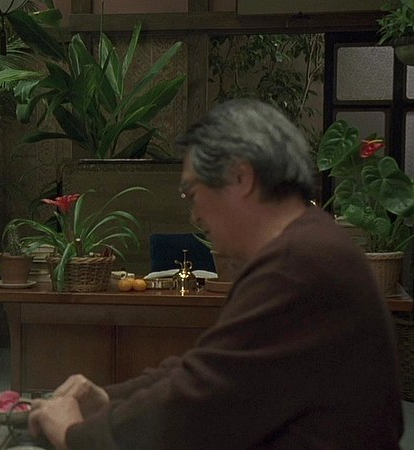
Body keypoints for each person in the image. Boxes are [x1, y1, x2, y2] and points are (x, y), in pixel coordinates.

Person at [28, 99, 403, 449]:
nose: (195, 215)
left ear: (241, 178)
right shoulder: (310, 242)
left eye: (192, 192)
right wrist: (110, 399)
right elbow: (211, 367)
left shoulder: (300, 264)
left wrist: (74, 435)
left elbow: (194, 407)